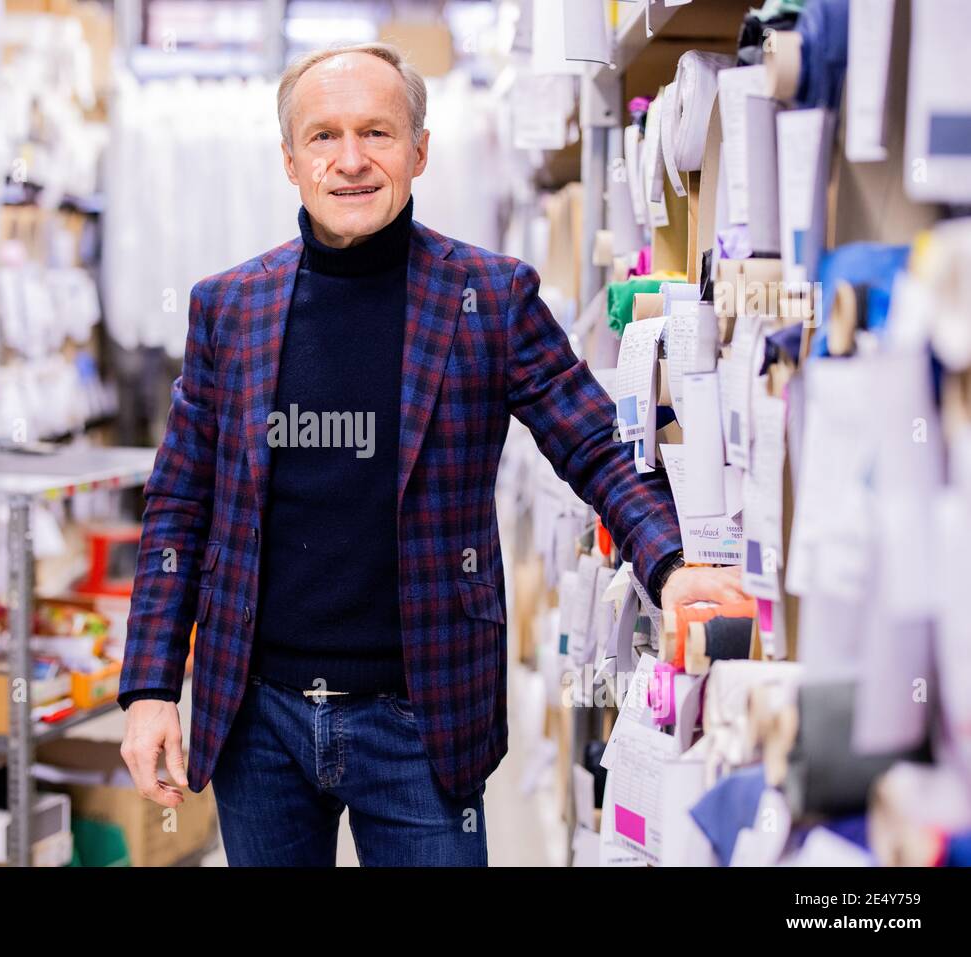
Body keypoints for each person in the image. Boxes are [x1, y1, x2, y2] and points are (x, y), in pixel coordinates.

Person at [118, 42, 747, 866]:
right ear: (289, 159)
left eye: (377, 133)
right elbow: (179, 506)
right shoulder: (229, 307)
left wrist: (668, 564)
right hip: (258, 719)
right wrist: (150, 687)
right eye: (324, 136)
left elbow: (592, 441)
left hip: (419, 718)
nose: (351, 160)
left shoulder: (491, 297)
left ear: (419, 150)